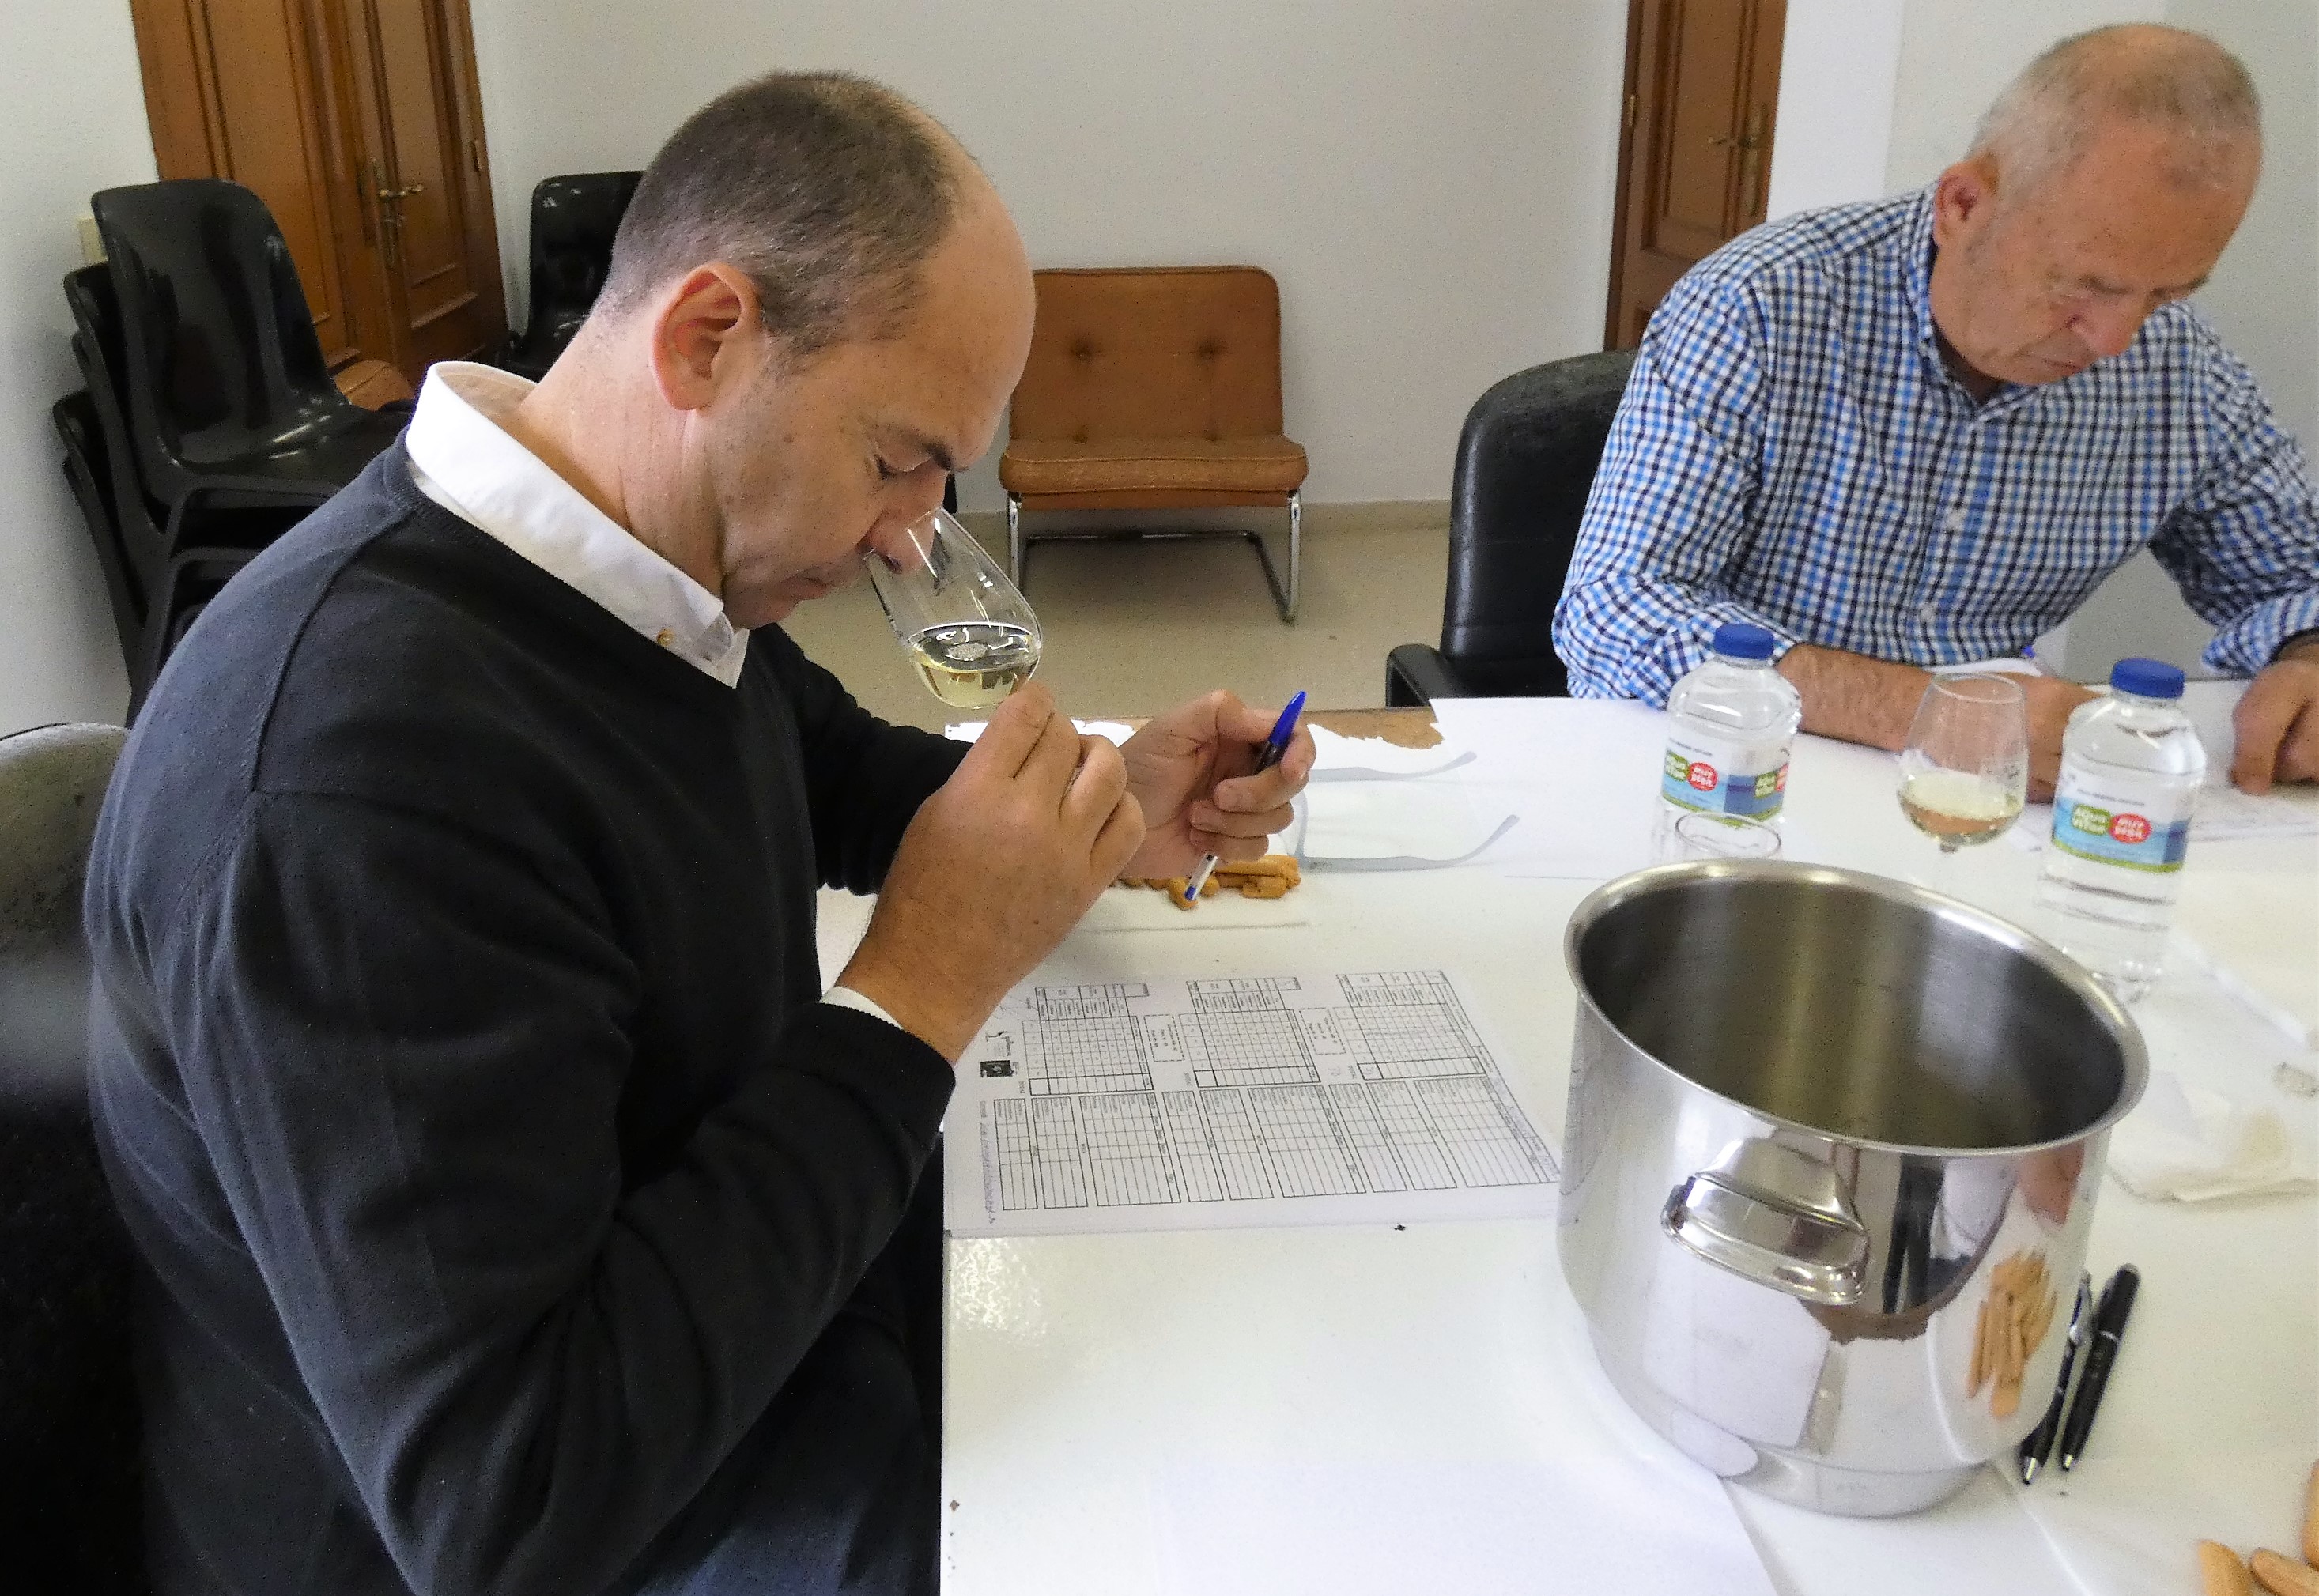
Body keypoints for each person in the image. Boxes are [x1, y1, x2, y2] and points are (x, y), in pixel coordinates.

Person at [85, 73, 1312, 1596]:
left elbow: (821, 769)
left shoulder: (635, 574)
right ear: (708, 336)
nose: (912, 532)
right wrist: (914, 992)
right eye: (896, 458)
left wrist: (1106, 807)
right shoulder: (350, 785)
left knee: (1220, 1343)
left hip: (722, 1300)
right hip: (563, 1503)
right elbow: (509, 1505)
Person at [1555, 24, 2319, 796]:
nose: (2116, 340)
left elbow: (2295, 572)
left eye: (2166, 294)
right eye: (2082, 285)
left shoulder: (2178, 369)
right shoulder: (1760, 305)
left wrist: (2308, 660)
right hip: (1723, 771)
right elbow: (1614, 612)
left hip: (1978, 805)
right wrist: (1928, 712)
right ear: (1962, 204)